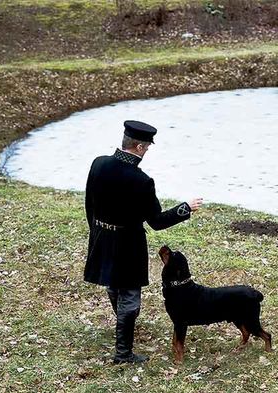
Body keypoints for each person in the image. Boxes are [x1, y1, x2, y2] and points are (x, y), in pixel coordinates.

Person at [84, 120, 203, 364]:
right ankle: (123, 353)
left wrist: (96, 233)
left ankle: (123, 327)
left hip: (102, 237)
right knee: (129, 296)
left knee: (112, 286)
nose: (147, 151)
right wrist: (185, 208)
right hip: (127, 244)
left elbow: (89, 204)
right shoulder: (141, 180)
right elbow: (157, 222)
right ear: (138, 147)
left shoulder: (98, 163)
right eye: (147, 147)